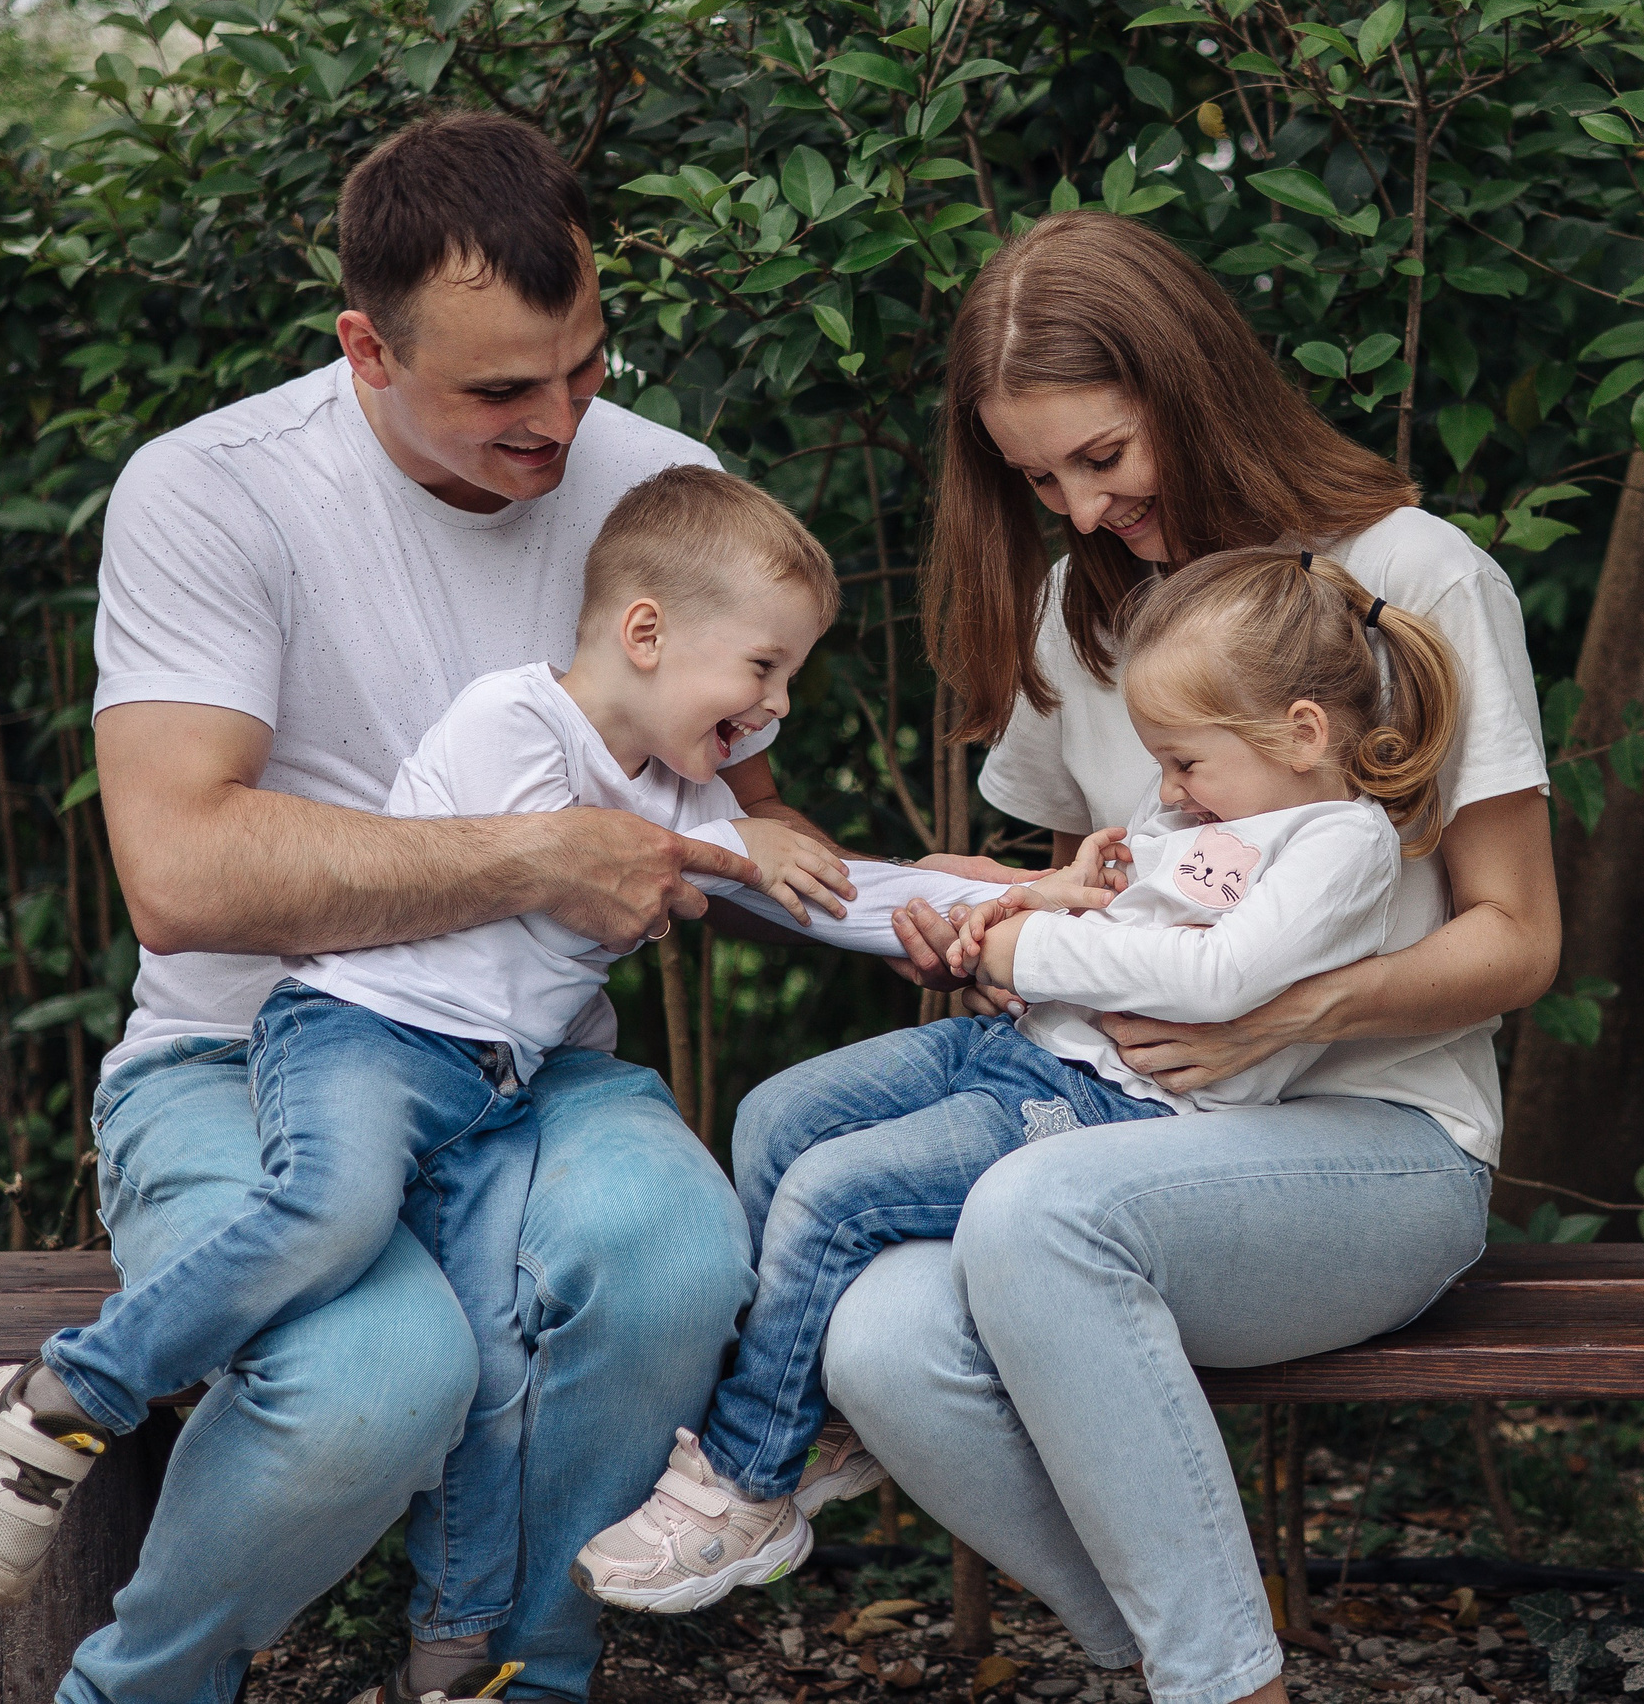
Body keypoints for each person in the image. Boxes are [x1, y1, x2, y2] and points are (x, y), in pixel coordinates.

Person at [4, 111, 995, 1704]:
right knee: (367, 1381)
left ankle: (519, 1675)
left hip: (524, 1065)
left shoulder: (669, 487)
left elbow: (738, 824)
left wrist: (962, 904)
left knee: (676, 1253)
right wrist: (540, 855)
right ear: (365, 348)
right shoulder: (212, 490)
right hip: (246, 1053)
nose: (558, 424)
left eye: (586, 365)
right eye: (500, 392)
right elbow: (180, 877)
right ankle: (139, 1686)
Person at [0, 467, 993, 1641]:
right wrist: (730, 842)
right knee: (328, 1210)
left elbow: (807, 882)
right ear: (646, 631)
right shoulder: (516, 718)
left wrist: (1003, 892)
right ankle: (61, 1400)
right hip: (362, 1035)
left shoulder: (673, 794)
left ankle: (460, 1641)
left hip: (490, 1090)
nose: (776, 705)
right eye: (763, 668)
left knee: (495, 1366)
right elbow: (583, 851)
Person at [797, 209, 1562, 1704]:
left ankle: (1226, 1684)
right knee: (882, 1338)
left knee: (1032, 1216)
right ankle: (1180, 1657)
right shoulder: (1081, 606)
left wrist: (1299, 1001)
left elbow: (1520, 937)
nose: (1079, 511)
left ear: (1192, 388)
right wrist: (988, 913)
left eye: (1103, 458)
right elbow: (1125, 887)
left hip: (1380, 1146)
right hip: (1119, 1131)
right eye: (1037, 480)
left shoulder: (1412, 575)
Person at [573, 546, 1463, 1617]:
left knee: (836, 1189)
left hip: (1115, 1101)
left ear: (1304, 734)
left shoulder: (1336, 840)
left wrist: (1025, 953)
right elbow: (1126, 915)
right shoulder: (1212, 813)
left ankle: (749, 1478)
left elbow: (1221, 976)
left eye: (1185, 761)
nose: (1168, 787)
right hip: (1024, 1044)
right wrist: (1038, 897)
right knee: (780, 1114)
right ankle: (815, 1403)